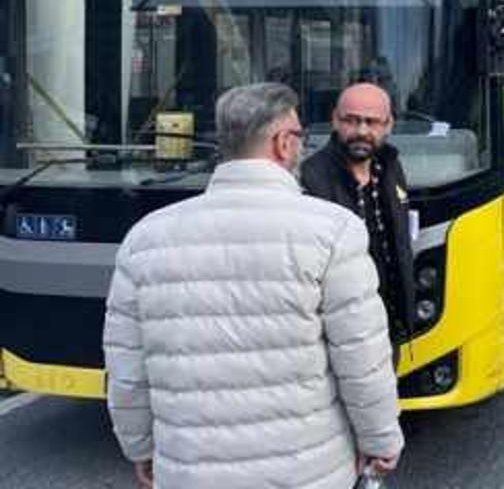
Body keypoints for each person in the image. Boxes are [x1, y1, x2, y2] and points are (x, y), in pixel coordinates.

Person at [103, 83, 404, 489]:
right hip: (307, 471)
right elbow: (361, 357)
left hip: (189, 471)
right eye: (298, 136)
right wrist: (380, 438)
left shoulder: (143, 238)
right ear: (283, 144)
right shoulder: (333, 231)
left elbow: (127, 368)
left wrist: (139, 448)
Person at [302, 83, 417, 342]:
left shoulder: (391, 166)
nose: (361, 131)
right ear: (335, 120)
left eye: (372, 122)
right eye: (351, 121)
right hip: (340, 335)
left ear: (389, 125)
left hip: (388, 327)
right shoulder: (310, 178)